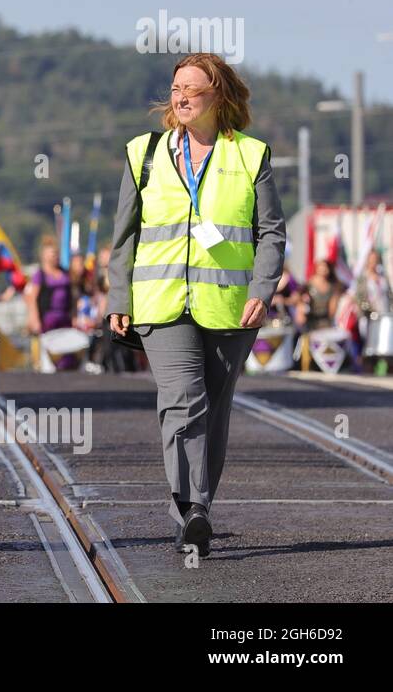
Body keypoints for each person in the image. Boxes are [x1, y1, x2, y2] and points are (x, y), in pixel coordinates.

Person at [107, 52, 284, 558]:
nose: (181, 96)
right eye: (175, 87)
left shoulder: (251, 155)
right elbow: (124, 237)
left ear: (217, 96)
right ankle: (191, 511)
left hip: (230, 307)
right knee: (184, 403)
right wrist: (119, 297)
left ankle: (199, 507)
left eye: (193, 88)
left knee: (215, 411)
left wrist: (262, 288)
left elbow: (271, 232)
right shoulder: (144, 153)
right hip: (161, 305)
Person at [25, 236, 78, 370]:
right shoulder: (39, 275)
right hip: (48, 317)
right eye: (53, 254)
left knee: (68, 347)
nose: (56, 257)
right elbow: (31, 299)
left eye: (57, 254)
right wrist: (34, 319)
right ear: (44, 255)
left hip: (64, 316)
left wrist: (74, 315)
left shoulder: (65, 273)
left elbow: (73, 296)